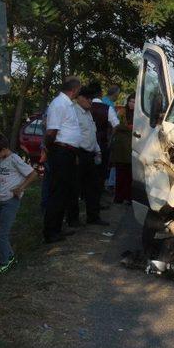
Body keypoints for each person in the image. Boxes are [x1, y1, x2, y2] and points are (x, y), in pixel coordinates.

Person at [0, 134, 37, 274]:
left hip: (10, 202)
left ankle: (5, 262)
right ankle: (10, 256)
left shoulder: (14, 159)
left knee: (2, 233)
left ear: (0, 148)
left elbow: (33, 174)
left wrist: (21, 188)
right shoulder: (3, 159)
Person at [43, 76, 82, 243]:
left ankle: (57, 229)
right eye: (79, 90)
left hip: (68, 152)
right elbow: (51, 131)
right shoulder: (59, 104)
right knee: (57, 192)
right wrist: (49, 149)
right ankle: (50, 232)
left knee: (65, 192)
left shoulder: (68, 104)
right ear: (74, 90)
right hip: (60, 151)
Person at [68, 86, 109, 226]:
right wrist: (75, 153)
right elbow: (73, 135)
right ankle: (73, 220)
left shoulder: (88, 113)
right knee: (74, 188)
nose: (90, 101)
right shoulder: (73, 112)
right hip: (78, 153)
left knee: (94, 186)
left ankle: (93, 216)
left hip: (90, 154)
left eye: (91, 98)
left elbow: (92, 133)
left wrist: (97, 150)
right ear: (79, 98)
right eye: (88, 98)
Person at [91, 82, 120, 202]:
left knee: (89, 171)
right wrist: (110, 138)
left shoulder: (84, 107)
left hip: (87, 144)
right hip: (102, 141)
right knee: (100, 171)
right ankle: (97, 197)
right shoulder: (107, 107)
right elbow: (116, 125)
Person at [110, 93, 135, 204]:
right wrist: (128, 127)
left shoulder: (139, 114)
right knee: (120, 174)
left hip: (132, 146)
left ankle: (129, 197)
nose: (132, 104)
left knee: (130, 175)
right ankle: (119, 197)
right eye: (131, 101)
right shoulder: (121, 112)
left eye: (134, 102)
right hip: (121, 147)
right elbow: (115, 125)